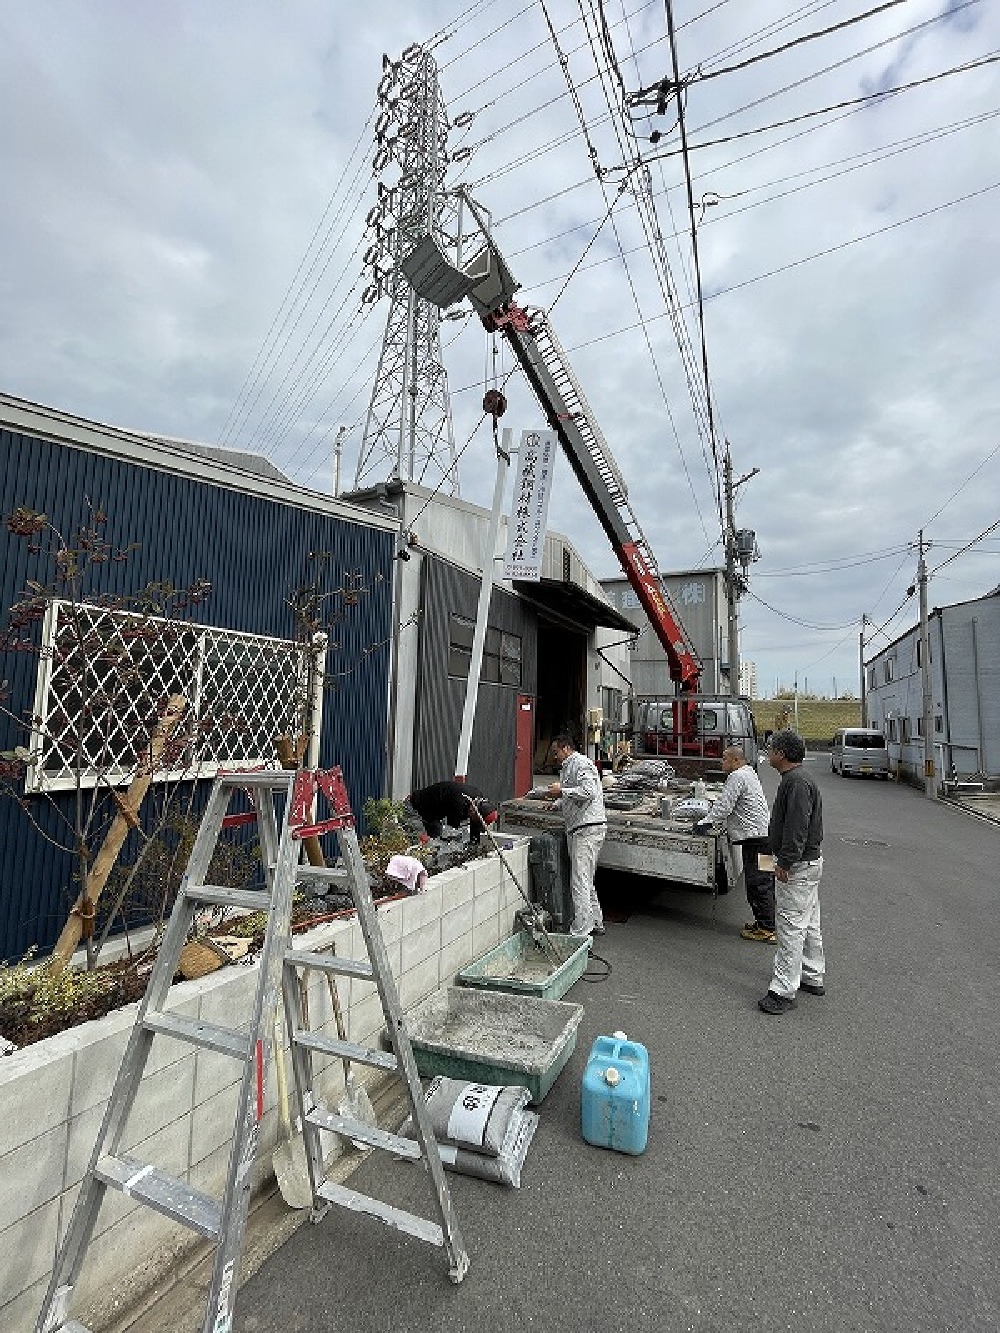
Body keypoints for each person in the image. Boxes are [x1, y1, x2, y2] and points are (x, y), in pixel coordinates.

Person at [758, 729, 825, 1015]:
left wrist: (785, 862)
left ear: (781, 754)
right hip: (808, 863)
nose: (768, 753)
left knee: (790, 927)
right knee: (809, 923)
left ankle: (783, 991)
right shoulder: (797, 779)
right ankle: (812, 975)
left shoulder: (796, 783)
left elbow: (797, 826)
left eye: (771, 749)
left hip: (797, 866)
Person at [696, 745, 775, 942]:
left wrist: (705, 822)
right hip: (765, 837)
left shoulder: (737, 776)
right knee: (766, 880)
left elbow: (724, 805)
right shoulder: (748, 773)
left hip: (756, 840)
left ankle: (767, 928)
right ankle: (765, 921)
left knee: (758, 882)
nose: (722, 762)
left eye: (725, 759)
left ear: (736, 761)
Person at [547, 734, 606, 937]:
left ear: (566, 748)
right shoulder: (568, 767)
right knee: (585, 879)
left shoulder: (581, 763)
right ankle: (596, 921)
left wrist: (562, 791)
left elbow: (588, 792)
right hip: (582, 827)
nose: (555, 757)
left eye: (556, 752)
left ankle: (581, 933)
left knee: (579, 881)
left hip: (586, 828)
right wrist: (557, 803)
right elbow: (574, 794)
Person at [406, 780, 497, 845]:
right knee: (421, 844)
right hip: (414, 810)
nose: (472, 821)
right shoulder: (459, 803)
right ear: (474, 811)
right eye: (476, 820)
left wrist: (474, 847)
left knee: (435, 844)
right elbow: (450, 832)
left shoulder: (477, 799)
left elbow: (475, 829)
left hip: (432, 816)